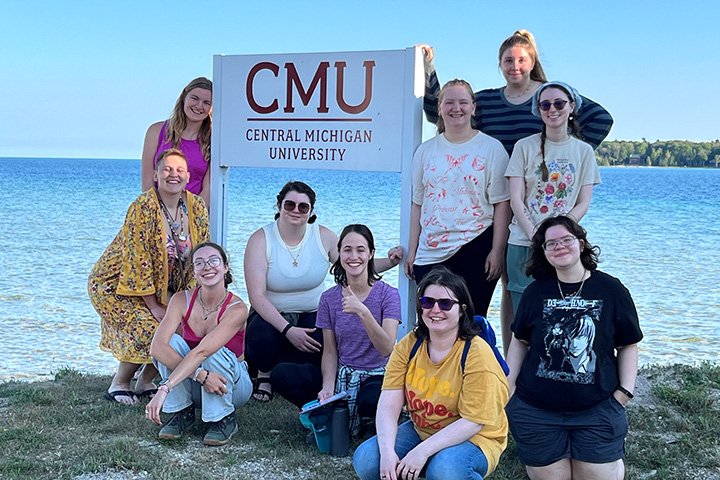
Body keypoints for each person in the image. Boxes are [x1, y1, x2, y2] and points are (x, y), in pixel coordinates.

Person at [420, 30, 614, 354]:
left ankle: (552, 351)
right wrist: (428, 69)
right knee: (512, 286)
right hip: (501, 199)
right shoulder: (488, 101)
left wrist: (562, 155)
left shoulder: (547, 97)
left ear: (532, 61)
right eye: (508, 60)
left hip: (545, 200)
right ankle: (514, 355)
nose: (515, 66)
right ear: (500, 64)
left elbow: (600, 118)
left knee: (556, 281)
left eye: (522, 59)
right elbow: (440, 112)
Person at [505, 216, 642, 480]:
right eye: (551, 243)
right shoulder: (535, 293)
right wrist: (509, 388)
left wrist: (624, 393)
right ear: (543, 252)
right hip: (536, 409)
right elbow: (520, 341)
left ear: (580, 244)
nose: (559, 246)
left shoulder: (611, 289)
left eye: (566, 240)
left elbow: (629, 344)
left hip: (597, 408)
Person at [244, 182, 402, 404]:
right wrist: (288, 329)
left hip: (312, 312)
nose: (296, 210)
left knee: (324, 342)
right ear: (279, 205)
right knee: (261, 336)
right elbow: (256, 296)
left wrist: (392, 262)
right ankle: (265, 374)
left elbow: (352, 260)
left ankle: (315, 378)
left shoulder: (324, 236)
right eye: (289, 204)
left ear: (311, 211)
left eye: (303, 207)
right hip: (271, 315)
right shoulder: (260, 239)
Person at [353, 266, 509, 480]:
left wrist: (421, 452)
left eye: (445, 303)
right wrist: (388, 452)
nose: (435, 310)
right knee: (368, 460)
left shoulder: (476, 353)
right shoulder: (409, 345)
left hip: (475, 436)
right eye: (427, 302)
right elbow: (389, 402)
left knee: (445, 470)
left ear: (462, 309)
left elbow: (473, 422)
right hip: (423, 429)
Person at [88, 149, 209, 405]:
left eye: (179, 170)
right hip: (116, 285)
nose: (173, 175)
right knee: (150, 328)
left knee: (181, 327)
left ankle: (145, 382)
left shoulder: (196, 206)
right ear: (155, 175)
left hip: (164, 287)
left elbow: (200, 251)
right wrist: (154, 306)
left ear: (187, 176)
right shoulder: (142, 207)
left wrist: (192, 302)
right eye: (167, 169)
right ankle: (119, 383)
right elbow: (136, 260)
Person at [405, 79, 511, 319]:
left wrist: (497, 250)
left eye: (463, 102)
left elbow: (501, 204)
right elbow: (417, 204)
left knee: (471, 323)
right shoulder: (425, 151)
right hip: (430, 251)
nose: (457, 108)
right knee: (433, 320)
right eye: (449, 102)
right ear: (440, 108)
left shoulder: (491, 148)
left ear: (473, 107)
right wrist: (412, 251)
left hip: (476, 245)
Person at [289, 224, 401, 437]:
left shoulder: (388, 294)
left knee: (369, 399)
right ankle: (329, 409)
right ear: (339, 253)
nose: (353, 256)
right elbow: (330, 351)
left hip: (379, 373)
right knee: (284, 375)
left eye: (361, 250)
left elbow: (387, 348)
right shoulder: (329, 298)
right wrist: (328, 385)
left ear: (371, 254)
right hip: (344, 371)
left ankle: (369, 420)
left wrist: (363, 312)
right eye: (347, 249)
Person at [505, 81, 601, 316]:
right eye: (545, 105)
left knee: (560, 313)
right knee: (524, 314)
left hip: (564, 245)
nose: (552, 109)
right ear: (538, 110)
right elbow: (515, 199)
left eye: (559, 103)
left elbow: (583, 202)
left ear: (571, 107)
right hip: (522, 242)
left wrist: (558, 234)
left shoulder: (583, 151)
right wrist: (535, 234)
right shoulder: (523, 147)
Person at [145, 242, 252, 446]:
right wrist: (200, 376)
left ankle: (223, 418)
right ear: (193, 272)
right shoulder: (179, 300)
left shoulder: (237, 308)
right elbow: (157, 347)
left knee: (213, 351)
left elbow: (203, 351)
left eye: (213, 261)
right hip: (200, 381)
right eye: (199, 263)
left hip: (233, 385)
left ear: (225, 267)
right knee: (172, 342)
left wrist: (164, 388)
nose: (207, 267)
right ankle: (181, 411)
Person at [141, 77, 212, 207]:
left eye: (206, 102)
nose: (199, 106)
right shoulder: (156, 131)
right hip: (157, 212)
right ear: (184, 97)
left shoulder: (213, 141)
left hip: (194, 214)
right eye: (195, 98)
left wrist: (186, 218)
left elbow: (208, 189)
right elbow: (147, 182)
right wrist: (161, 215)